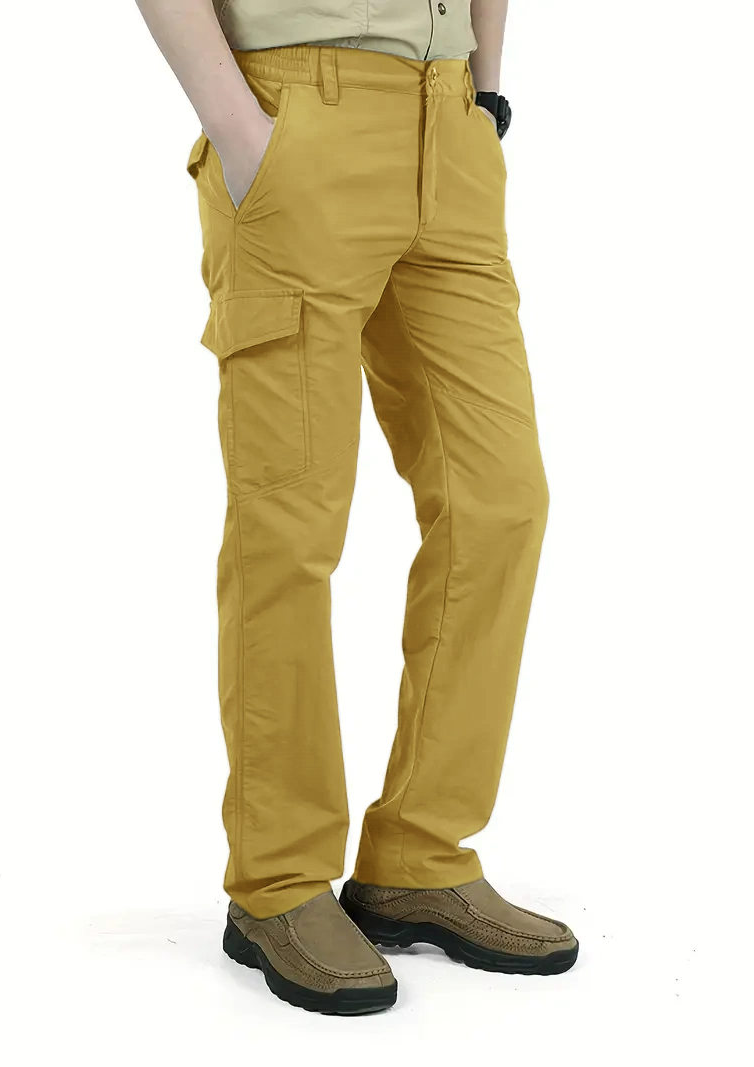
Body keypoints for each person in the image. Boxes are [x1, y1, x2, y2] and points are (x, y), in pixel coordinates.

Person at [134, 0, 578, 1014]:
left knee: (501, 500)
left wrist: (483, 93)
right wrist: (241, 132)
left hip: (449, 127)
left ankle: (419, 855)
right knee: (290, 524)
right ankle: (278, 879)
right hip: (297, 117)